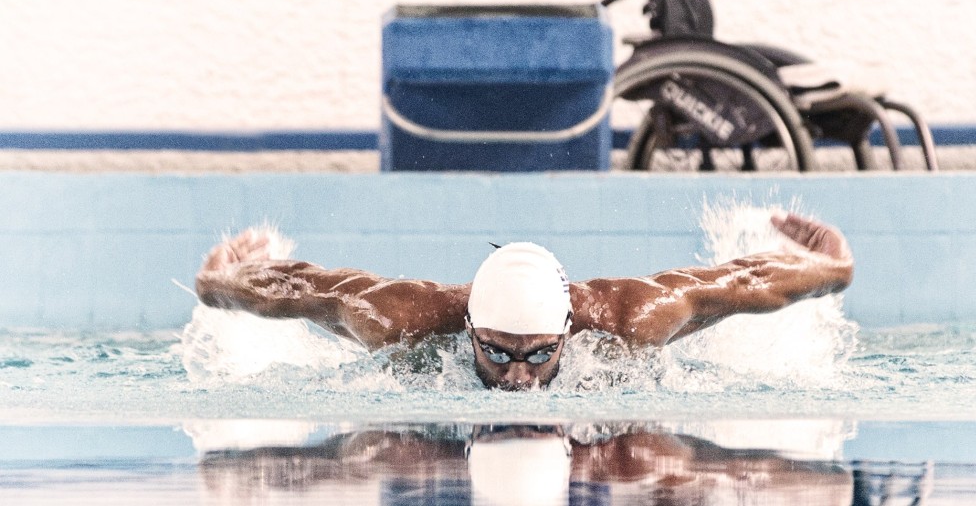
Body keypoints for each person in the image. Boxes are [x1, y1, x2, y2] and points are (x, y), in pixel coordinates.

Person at [195, 212, 853, 391]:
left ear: (568, 331)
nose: (517, 378)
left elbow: (737, 285)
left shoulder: (629, 319)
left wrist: (829, 263)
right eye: (497, 353)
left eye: (540, 355)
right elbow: (307, 290)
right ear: (470, 328)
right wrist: (220, 281)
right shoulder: (404, 319)